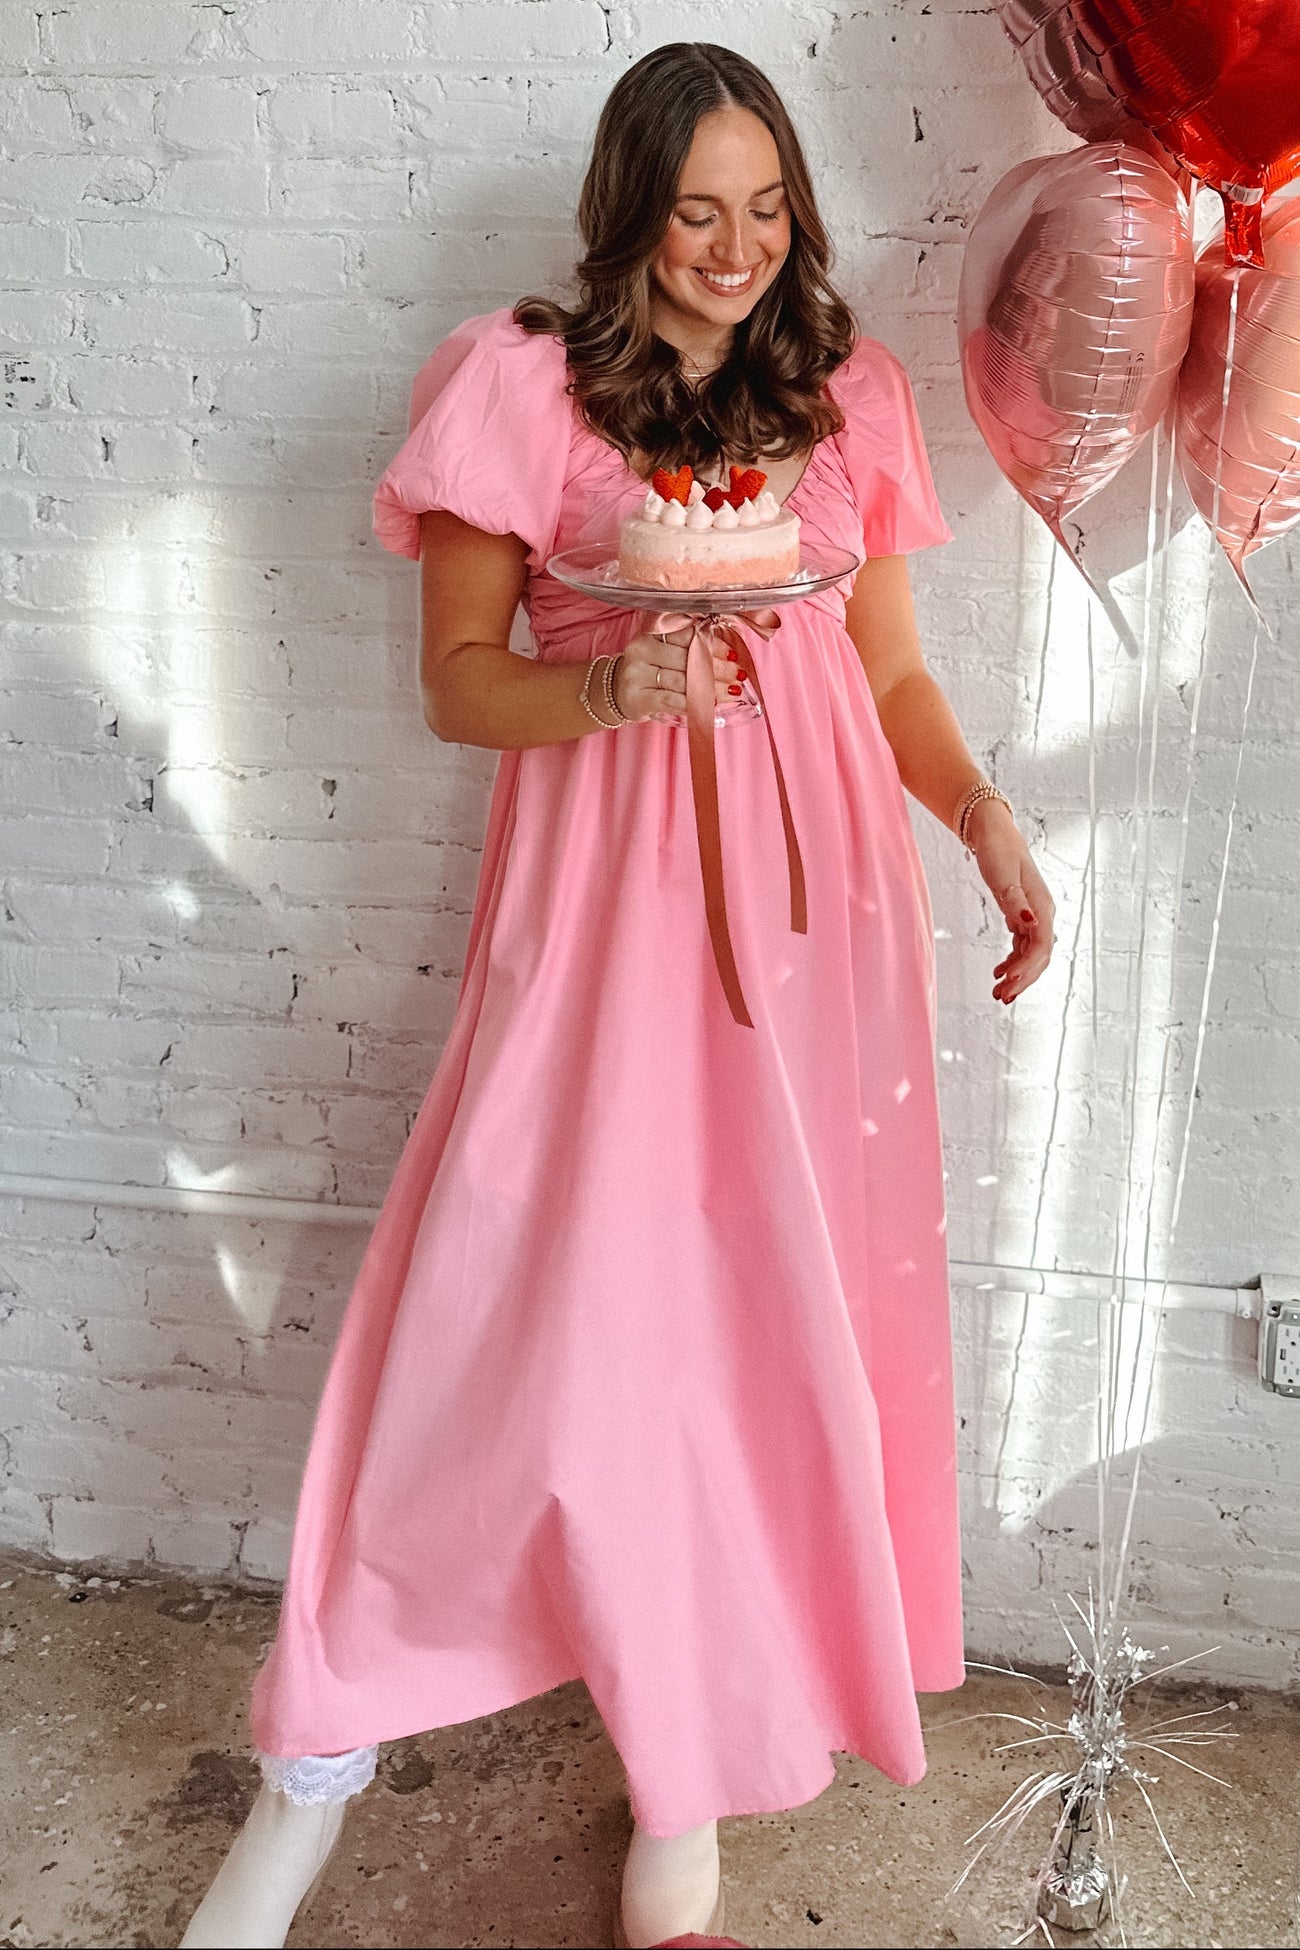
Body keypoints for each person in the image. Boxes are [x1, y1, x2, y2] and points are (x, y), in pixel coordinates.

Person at [179, 40, 1055, 1950]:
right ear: (629, 212)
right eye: (695, 213)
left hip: (823, 940)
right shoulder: (522, 387)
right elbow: (458, 681)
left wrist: (983, 813)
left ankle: (685, 1798)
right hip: (601, 925)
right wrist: (615, 687)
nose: (736, 250)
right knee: (497, 1318)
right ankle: (310, 1769)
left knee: (749, 1345)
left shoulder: (849, 395)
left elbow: (892, 677)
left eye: (768, 209)